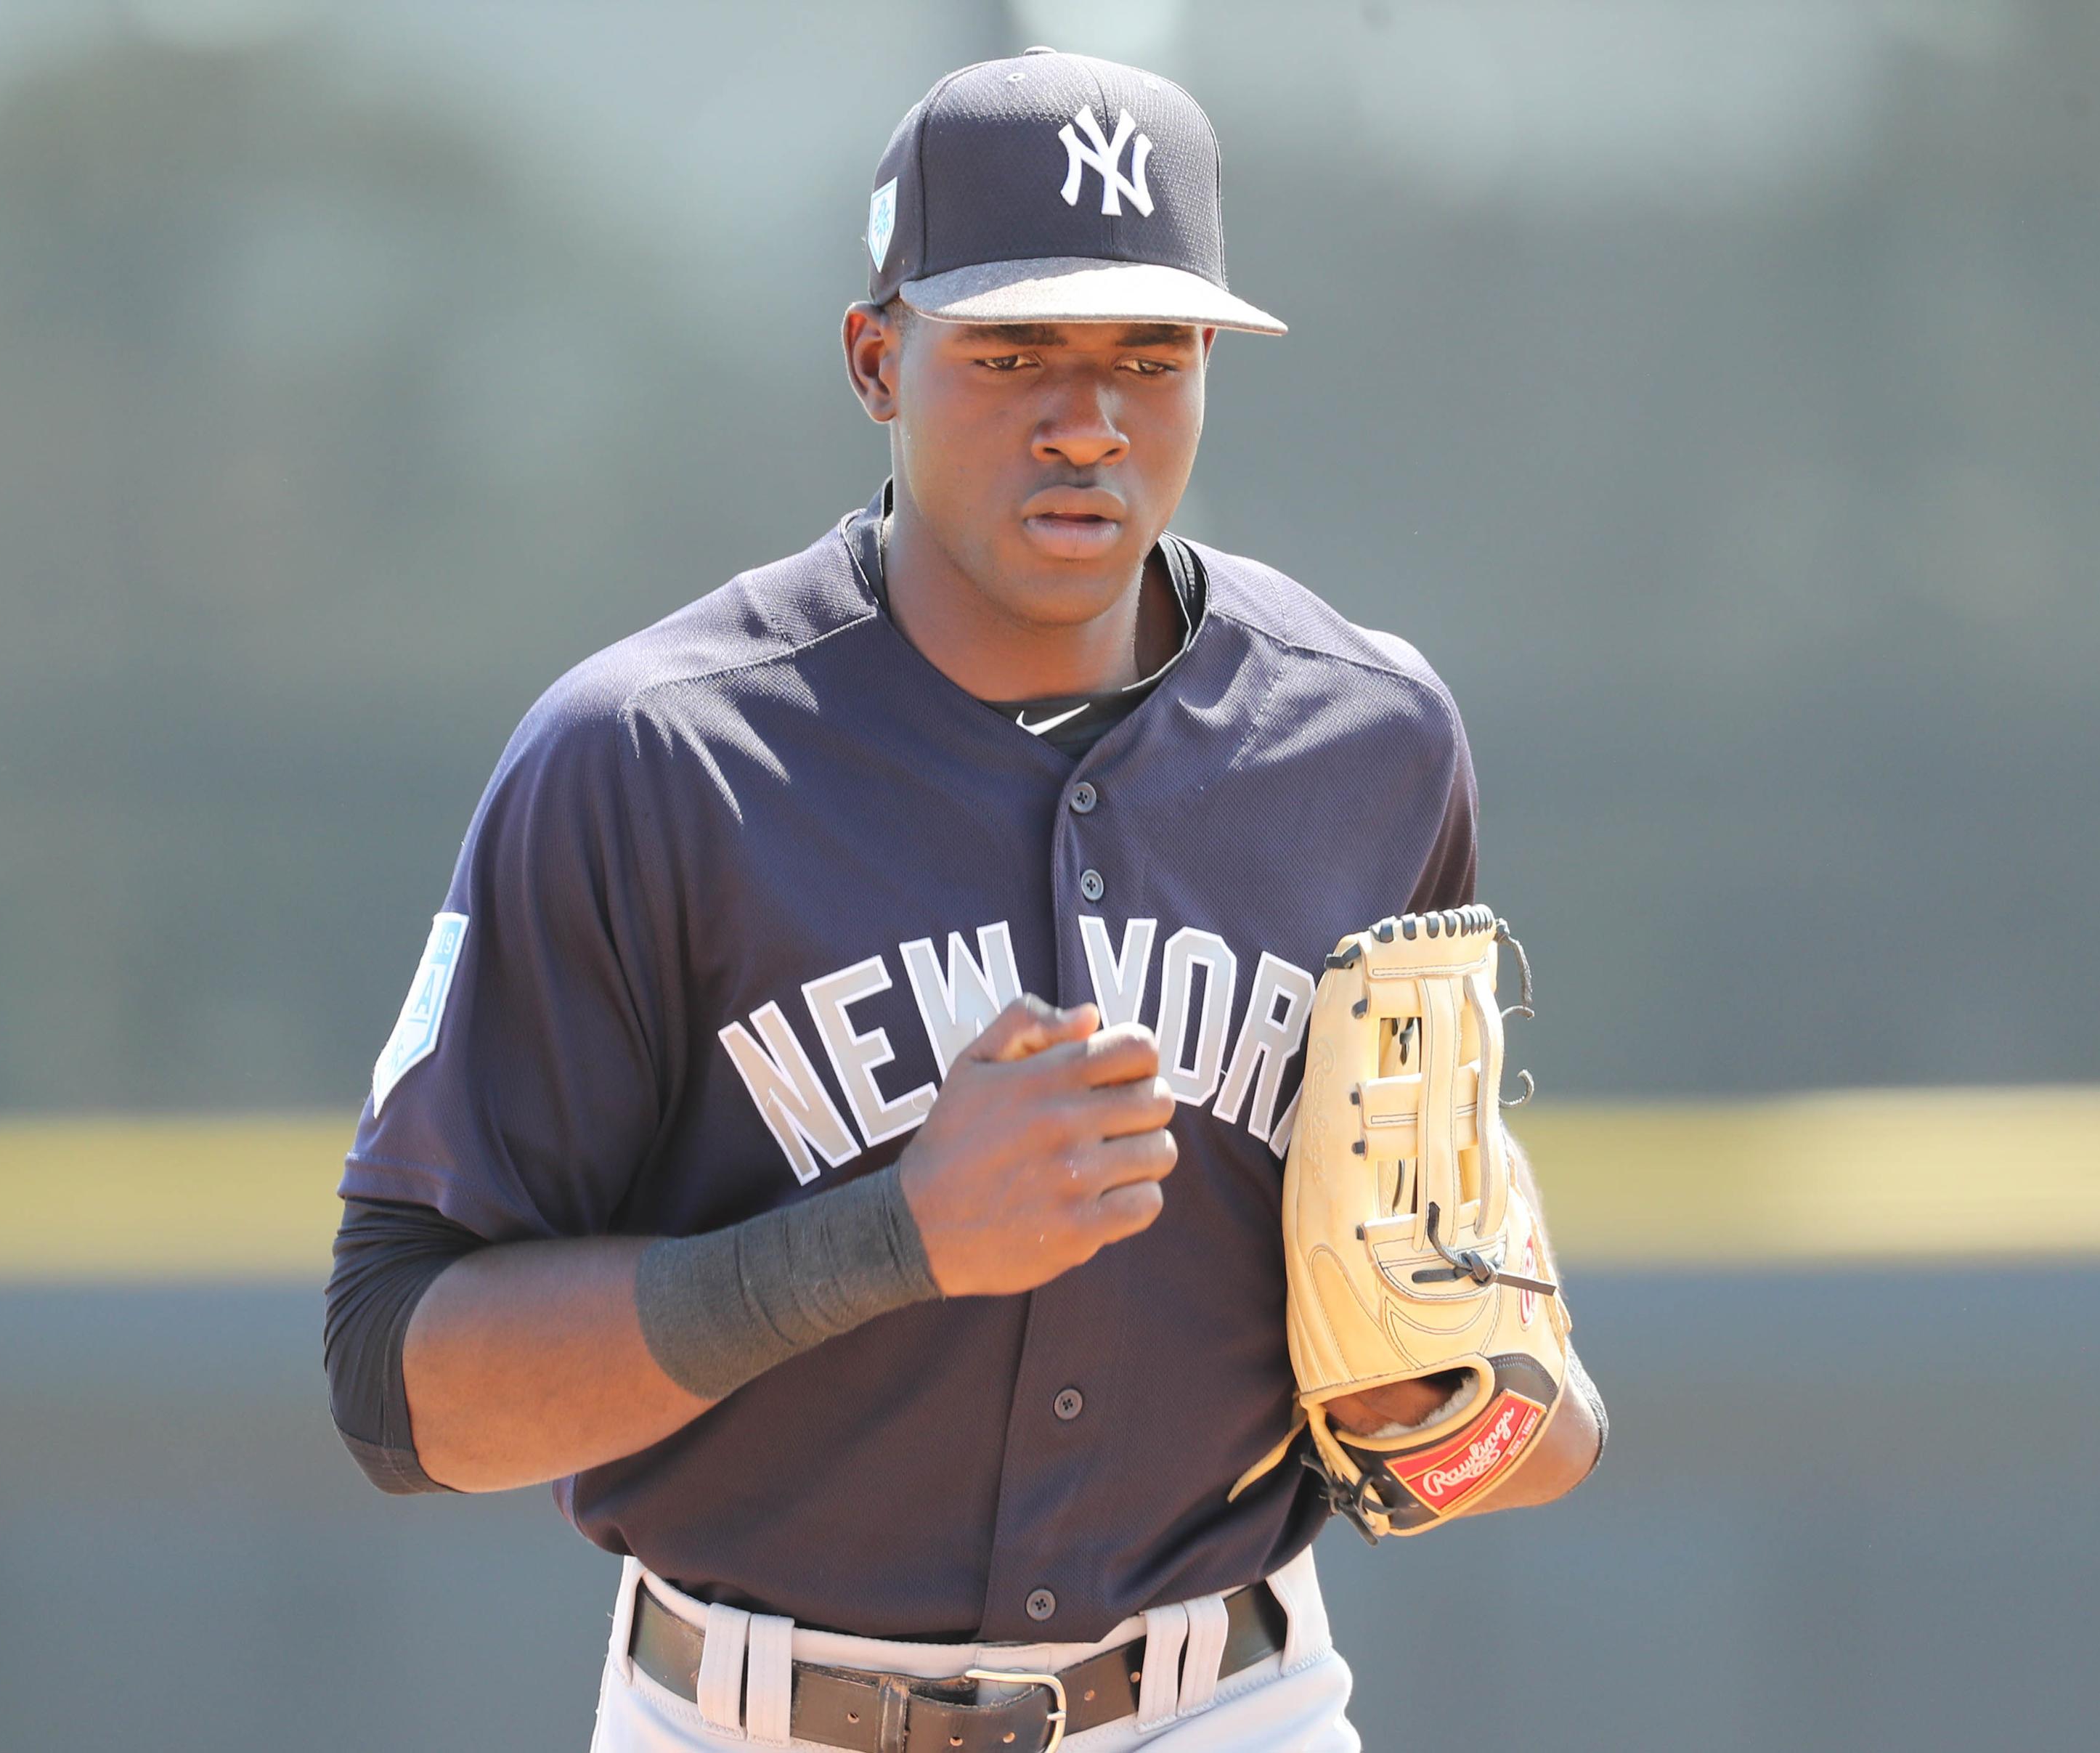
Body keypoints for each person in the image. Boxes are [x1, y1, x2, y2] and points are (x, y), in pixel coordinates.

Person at [322, 46, 1605, 1752]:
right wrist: (883, 1242)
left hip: (1227, 1703)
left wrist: (1447, 1405)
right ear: (876, 360)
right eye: (1013, 353)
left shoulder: (1366, 742)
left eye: (1151, 353)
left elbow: (1504, 1401)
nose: (1089, 417)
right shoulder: (649, 761)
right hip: (750, 1713)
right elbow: (403, 1386)